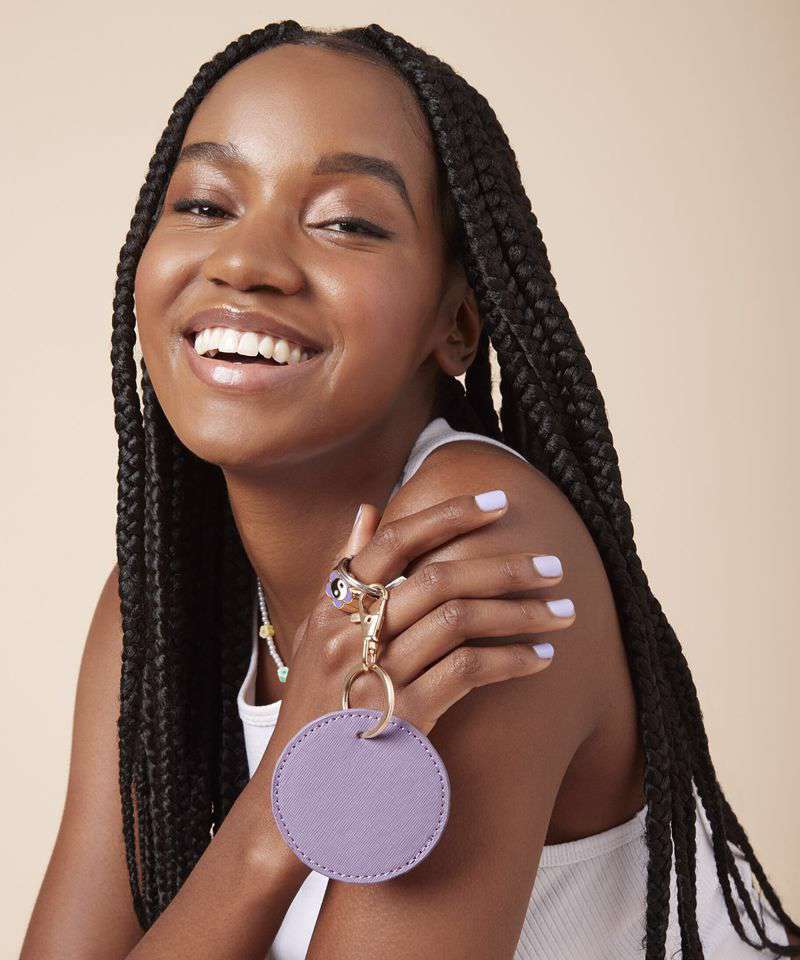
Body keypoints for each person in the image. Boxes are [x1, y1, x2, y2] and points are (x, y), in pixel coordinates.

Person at [20, 21, 799, 960]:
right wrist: (273, 819)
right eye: (205, 204)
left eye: (346, 222)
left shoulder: (468, 556)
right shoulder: (158, 606)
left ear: (457, 324)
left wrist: (294, 799)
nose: (245, 263)